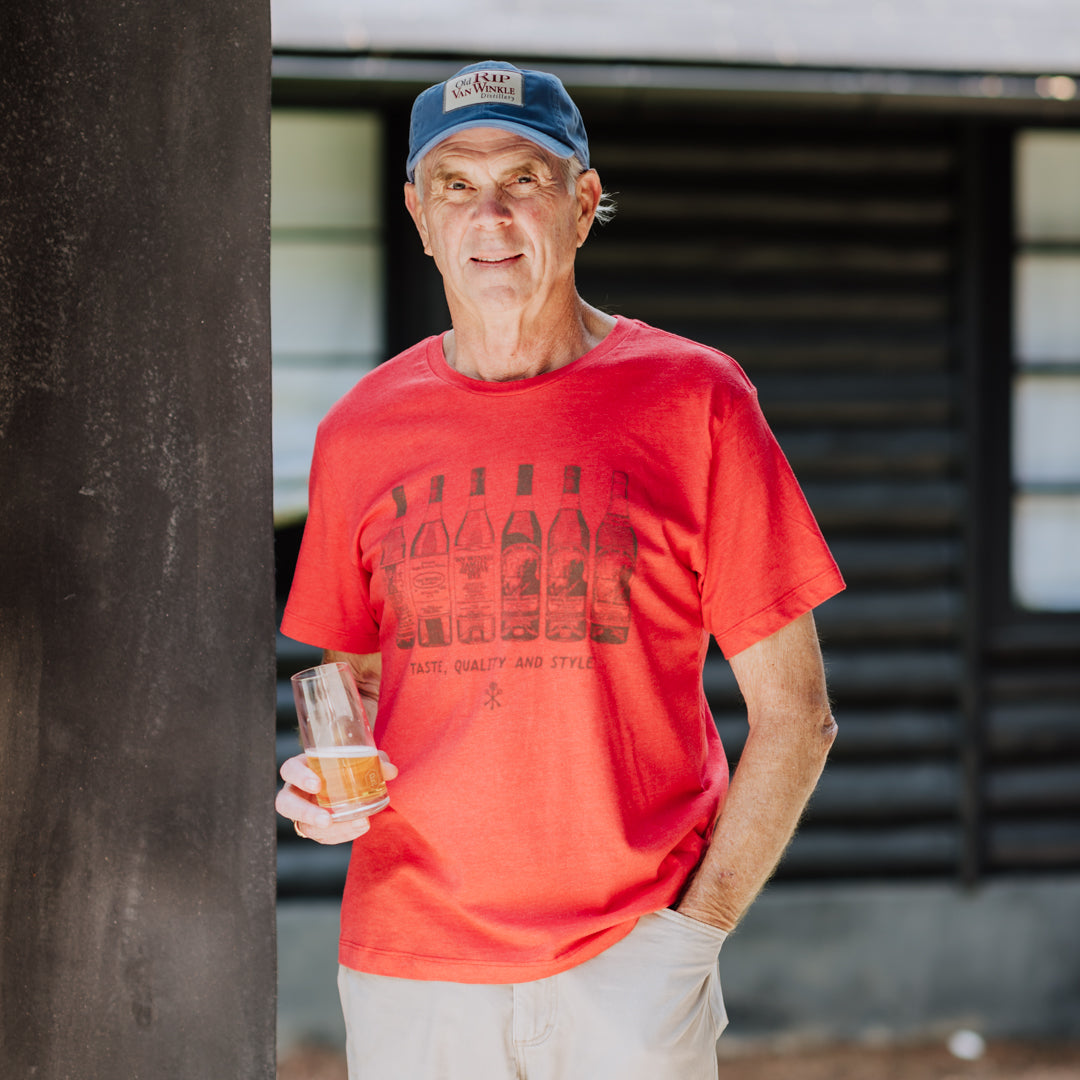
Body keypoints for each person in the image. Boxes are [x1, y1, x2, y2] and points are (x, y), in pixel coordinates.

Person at [276, 59, 844, 1080]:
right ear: (417, 212)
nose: (489, 214)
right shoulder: (359, 430)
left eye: (524, 180)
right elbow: (348, 682)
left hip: (629, 969)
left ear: (583, 203)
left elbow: (799, 715)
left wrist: (689, 938)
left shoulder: (696, 400)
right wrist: (325, 785)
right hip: (414, 972)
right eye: (455, 184)